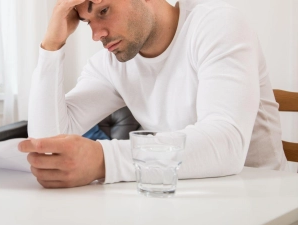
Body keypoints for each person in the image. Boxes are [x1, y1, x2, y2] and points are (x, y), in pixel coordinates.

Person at [18, 0, 288, 188]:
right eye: (87, 21)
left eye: (103, 11)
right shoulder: (112, 63)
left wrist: (103, 159)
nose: (96, 34)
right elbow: (47, 145)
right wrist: (52, 45)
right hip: (175, 196)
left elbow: (226, 144)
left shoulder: (216, 24)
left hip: (257, 198)